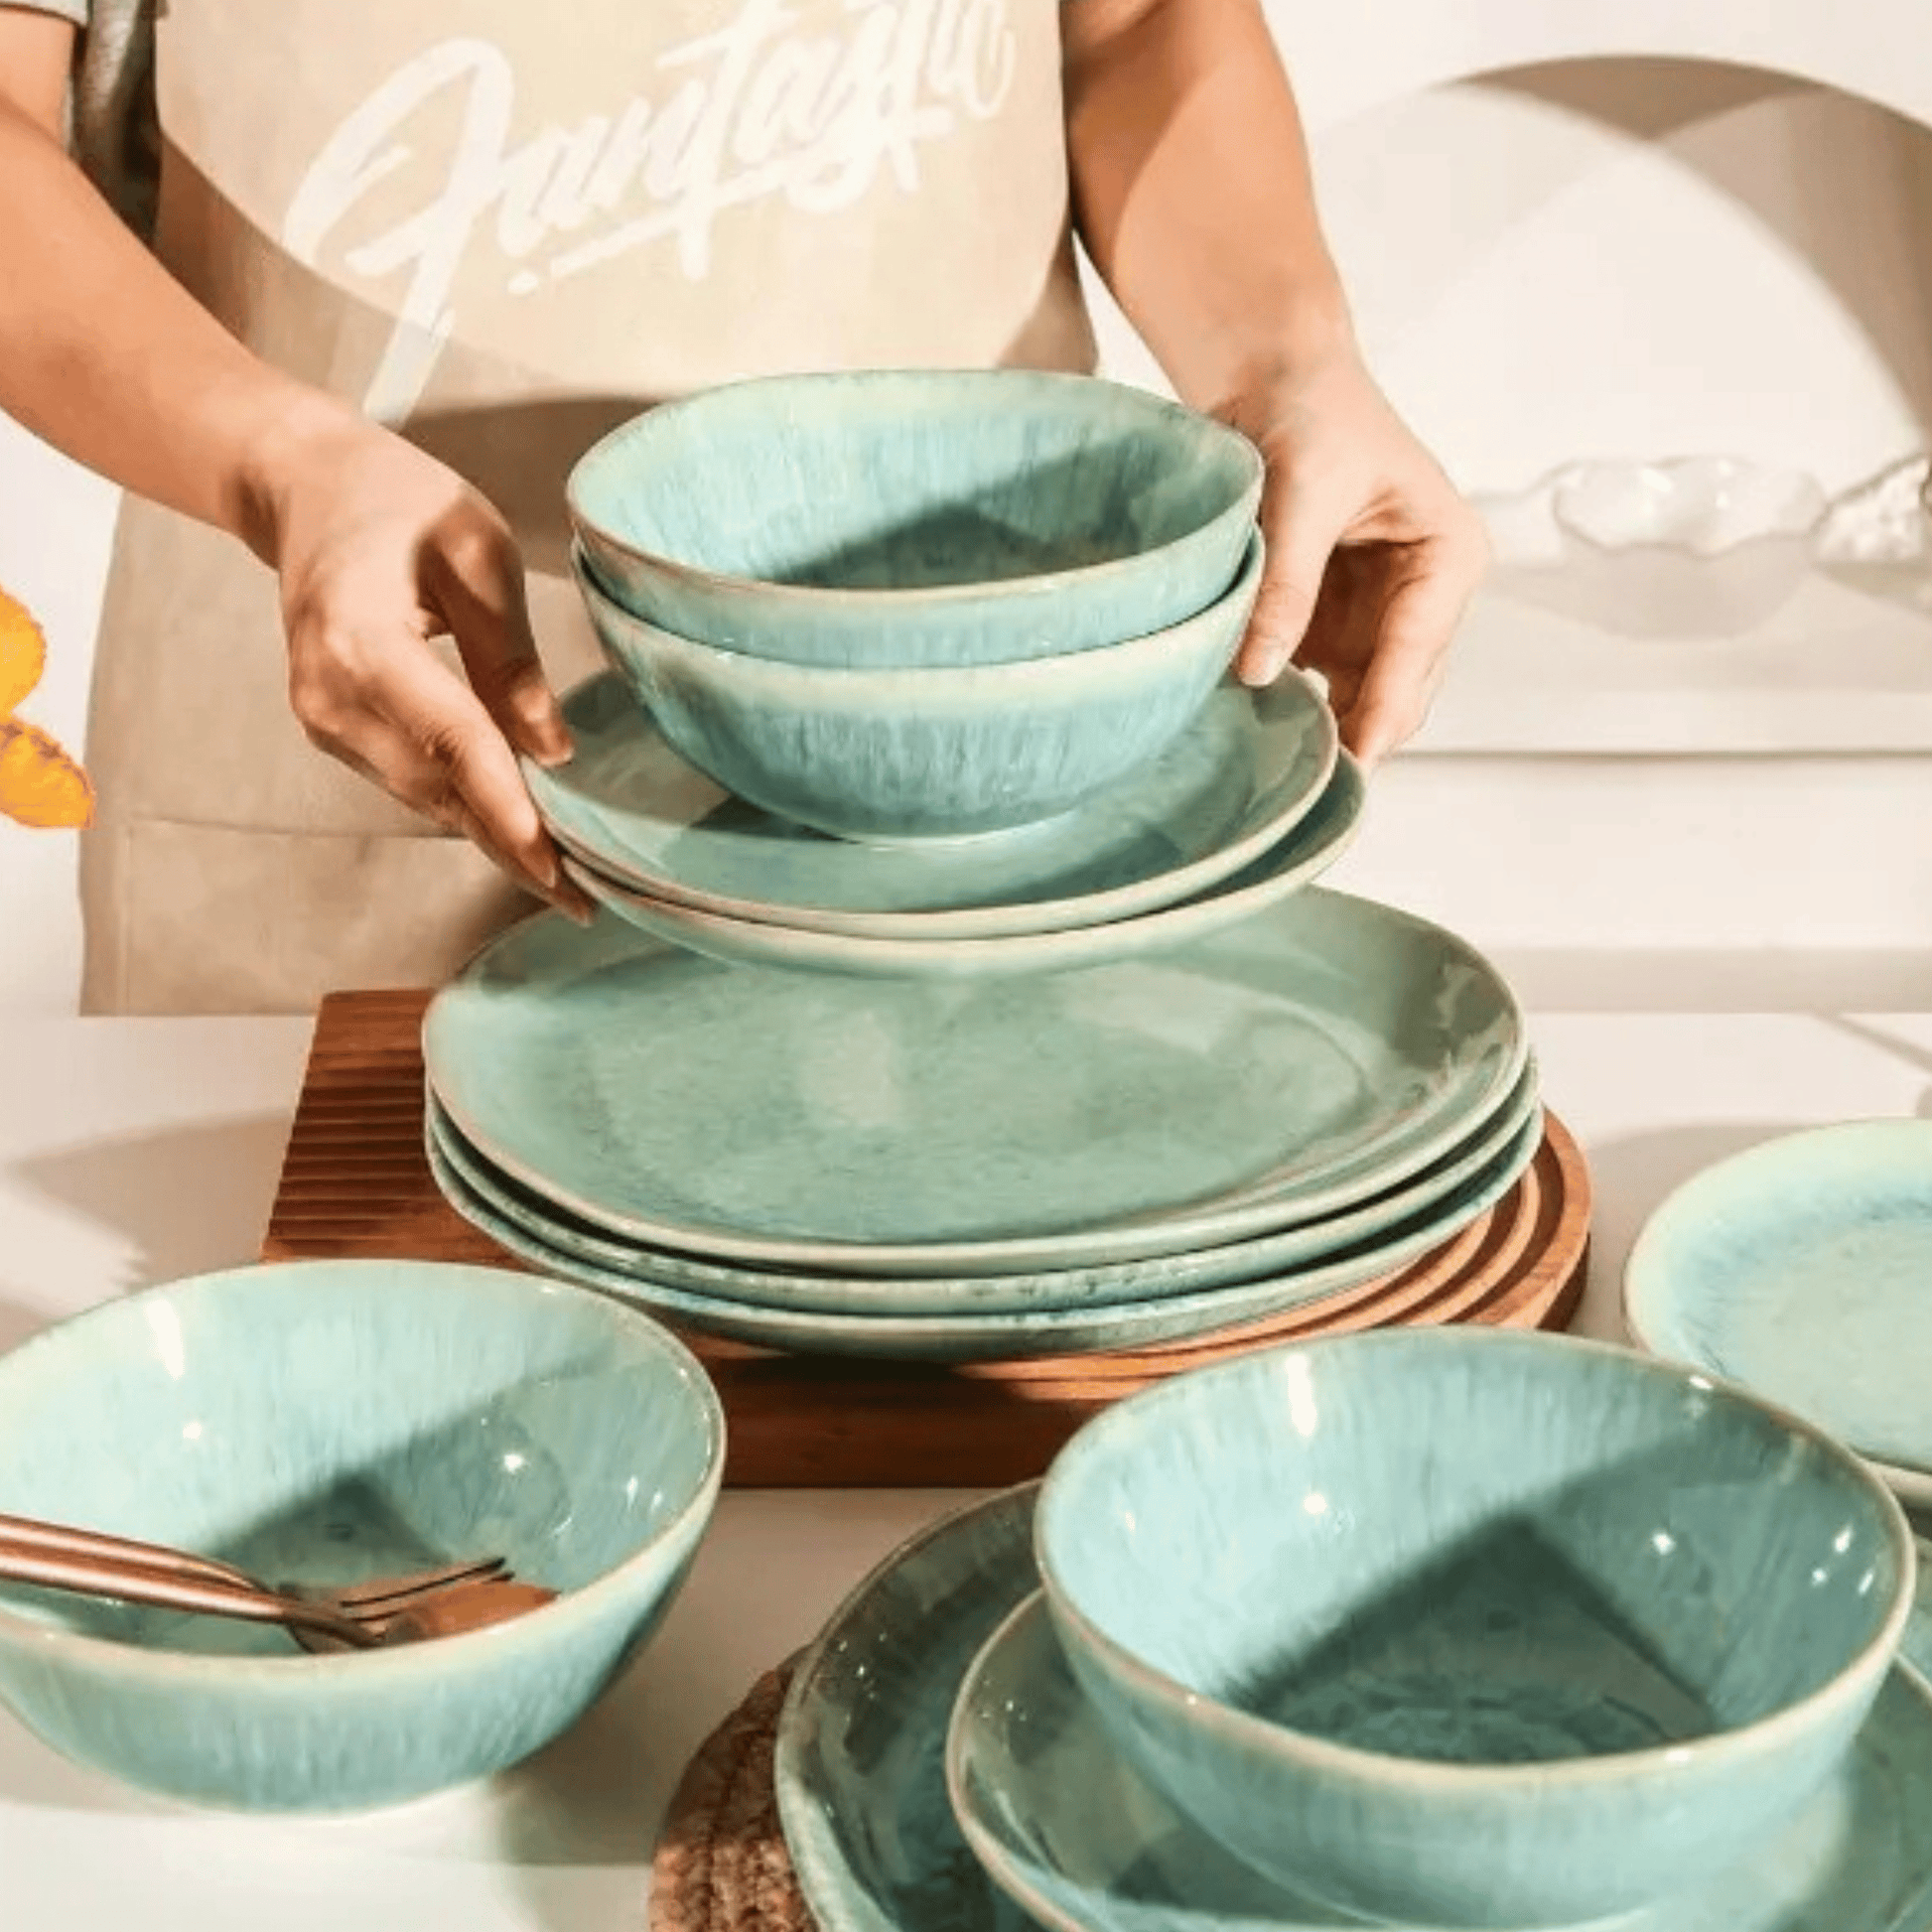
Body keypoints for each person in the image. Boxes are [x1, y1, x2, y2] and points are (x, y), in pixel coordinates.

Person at [0, 0, 1486, 1015]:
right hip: (362, 733)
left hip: (972, 739)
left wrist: (1288, 361)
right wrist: (277, 461)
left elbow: (1136, 22)